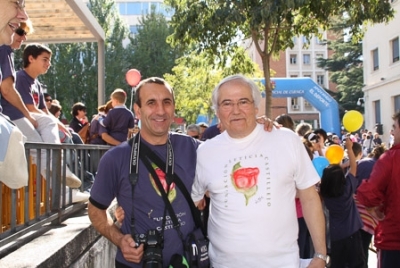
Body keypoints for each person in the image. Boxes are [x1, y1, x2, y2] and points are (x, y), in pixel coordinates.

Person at [191, 74, 327, 268]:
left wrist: (321, 254)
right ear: (217, 111)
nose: (236, 110)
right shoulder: (205, 152)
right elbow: (196, 200)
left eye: (243, 101)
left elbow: (310, 197)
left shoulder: (286, 140)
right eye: (227, 103)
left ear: (256, 106)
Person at [88, 77, 202, 267]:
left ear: (174, 108)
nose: (160, 110)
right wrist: (119, 240)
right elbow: (95, 210)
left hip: (188, 260)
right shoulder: (115, 158)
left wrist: (261, 128)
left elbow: (233, 150)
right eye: (151, 103)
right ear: (138, 110)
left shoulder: (193, 148)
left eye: (167, 102)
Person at [1, 43, 83, 190]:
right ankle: (61, 181)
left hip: (29, 120)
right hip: (16, 119)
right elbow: (30, 108)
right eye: (45, 59)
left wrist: (61, 125)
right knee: (44, 149)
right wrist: (56, 123)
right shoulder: (21, 77)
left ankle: (64, 182)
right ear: (31, 58)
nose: (48, 63)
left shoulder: (37, 84)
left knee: (64, 138)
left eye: (49, 60)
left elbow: (44, 111)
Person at [357, 111, 400, 268]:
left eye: (395, 127)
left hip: (394, 238)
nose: (392, 132)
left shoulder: (390, 158)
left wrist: (373, 207)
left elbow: (369, 193)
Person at [320, 139, 365, 268]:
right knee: (357, 264)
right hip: (352, 232)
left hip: (336, 235)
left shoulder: (325, 195)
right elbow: (354, 166)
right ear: (342, 178)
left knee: (338, 264)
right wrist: (349, 149)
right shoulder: (347, 190)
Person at [354, 144, 386, 266]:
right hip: (372, 212)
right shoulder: (382, 166)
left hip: (356, 209)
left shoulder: (362, 162)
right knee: (364, 245)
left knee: (356, 247)